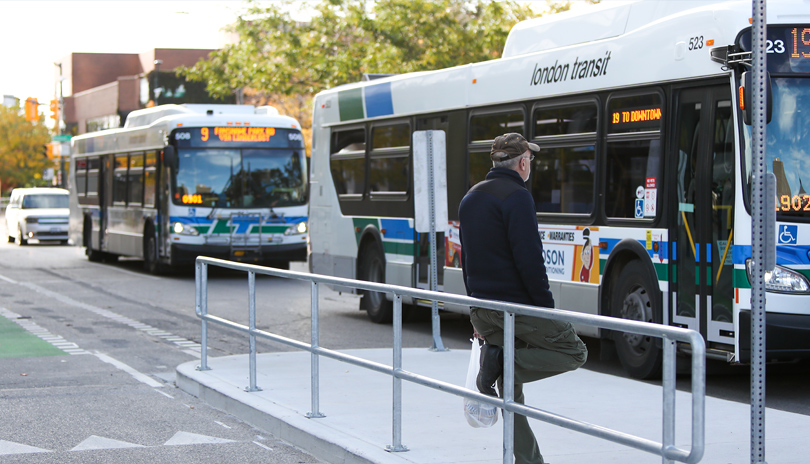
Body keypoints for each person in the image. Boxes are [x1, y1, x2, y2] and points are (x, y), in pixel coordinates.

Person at [458, 132, 588, 464]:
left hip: (484, 308)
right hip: (516, 309)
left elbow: (467, 260)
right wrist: (546, 310)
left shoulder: (470, 198)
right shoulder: (518, 197)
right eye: (531, 160)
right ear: (523, 162)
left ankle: (529, 461)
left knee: (510, 389)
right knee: (575, 351)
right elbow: (529, 261)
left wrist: (476, 313)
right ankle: (505, 362)